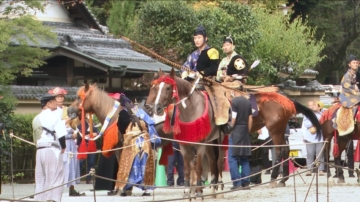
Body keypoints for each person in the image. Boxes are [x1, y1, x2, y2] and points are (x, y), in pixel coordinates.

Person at [49, 87, 84, 196]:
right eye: (58, 96)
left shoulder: (68, 109)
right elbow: (56, 125)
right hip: (57, 140)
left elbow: (74, 124)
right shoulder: (51, 111)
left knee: (72, 164)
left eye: (62, 96)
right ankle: (52, 188)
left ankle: (72, 188)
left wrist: (77, 120)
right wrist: (68, 119)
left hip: (69, 139)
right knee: (58, 165)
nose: (60, 99)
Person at [33, 93, 68, 202]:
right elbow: (61, 134)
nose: (57, 103)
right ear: (48, 103)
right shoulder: (53, 116)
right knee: (55, 176)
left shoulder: (36, 118)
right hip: (51, 149)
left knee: (41, 178)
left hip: (39, 150)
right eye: (54, 101)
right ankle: (52, 199)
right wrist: (63, 147)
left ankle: (40, 199)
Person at [228, 96, 253, 190]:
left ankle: (237, 183)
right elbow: (250, 119)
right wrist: (248, 131)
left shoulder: (233, 102)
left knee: (232, 158)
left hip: (236, 131)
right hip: (245, 131)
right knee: (244, 157)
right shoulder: (248, 102)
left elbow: (233, 119)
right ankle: (246, 183)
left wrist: (229, 130)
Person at [303, 101, 325, 176]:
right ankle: (309, 169)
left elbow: (323, 123)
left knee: (320, 154)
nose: (313, 107)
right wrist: (316, 122)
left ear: (320, 107)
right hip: (309, 137)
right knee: (310, 154)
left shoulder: (322, 114)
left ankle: (321, 169)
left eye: (315, 105)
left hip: (320, 137)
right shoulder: (307, 115)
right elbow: (306, 124)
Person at [77, 115, 99, 184]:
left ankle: (88, 178)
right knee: (81, 162)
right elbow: (78, 135)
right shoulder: (80, 126)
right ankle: (78, 177)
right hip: (83, 145)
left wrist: (93, 134)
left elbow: (97, 133)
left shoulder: (94, 126)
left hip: (91, 145)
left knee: (91, 162)